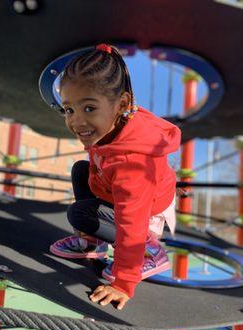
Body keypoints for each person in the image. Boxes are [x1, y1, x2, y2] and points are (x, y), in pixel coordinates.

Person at [49, 43, 181, 310]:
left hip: (147, 217)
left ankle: (151, 251)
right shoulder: (114, 123)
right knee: (80, 170)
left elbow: (131, 220)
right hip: (128, 194)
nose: (76, 121)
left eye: (88, 108)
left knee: (80, 214)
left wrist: (123, 282)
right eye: (69, 110)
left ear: (121, 104)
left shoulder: (133, 163)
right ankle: (93, 243)